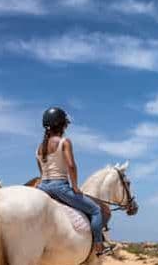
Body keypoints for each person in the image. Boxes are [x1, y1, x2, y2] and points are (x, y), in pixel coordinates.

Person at [36, 107, 112, 256]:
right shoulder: (64, 142)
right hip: (60, 187)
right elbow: (71, 165)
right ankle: (97, 246)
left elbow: (41, 171)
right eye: (65, 124)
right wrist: (75, 187)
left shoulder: (39, 148)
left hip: (42, 186)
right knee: (97, 210)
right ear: (62, 125)